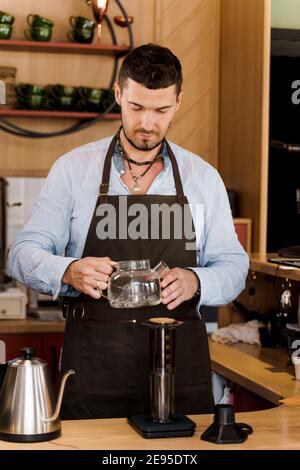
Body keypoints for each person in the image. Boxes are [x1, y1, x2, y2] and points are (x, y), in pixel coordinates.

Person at [8, 43, 249, 420]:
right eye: (136, 108)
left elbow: (234, 266)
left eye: (161, 110)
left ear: (178, 101)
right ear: (119, 94)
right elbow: (22, 254)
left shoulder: (203, 178)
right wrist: (69, 270)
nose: (148, 123)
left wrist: (196, 280)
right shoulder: (73, 171)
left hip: (179, 376)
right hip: (95, 376)